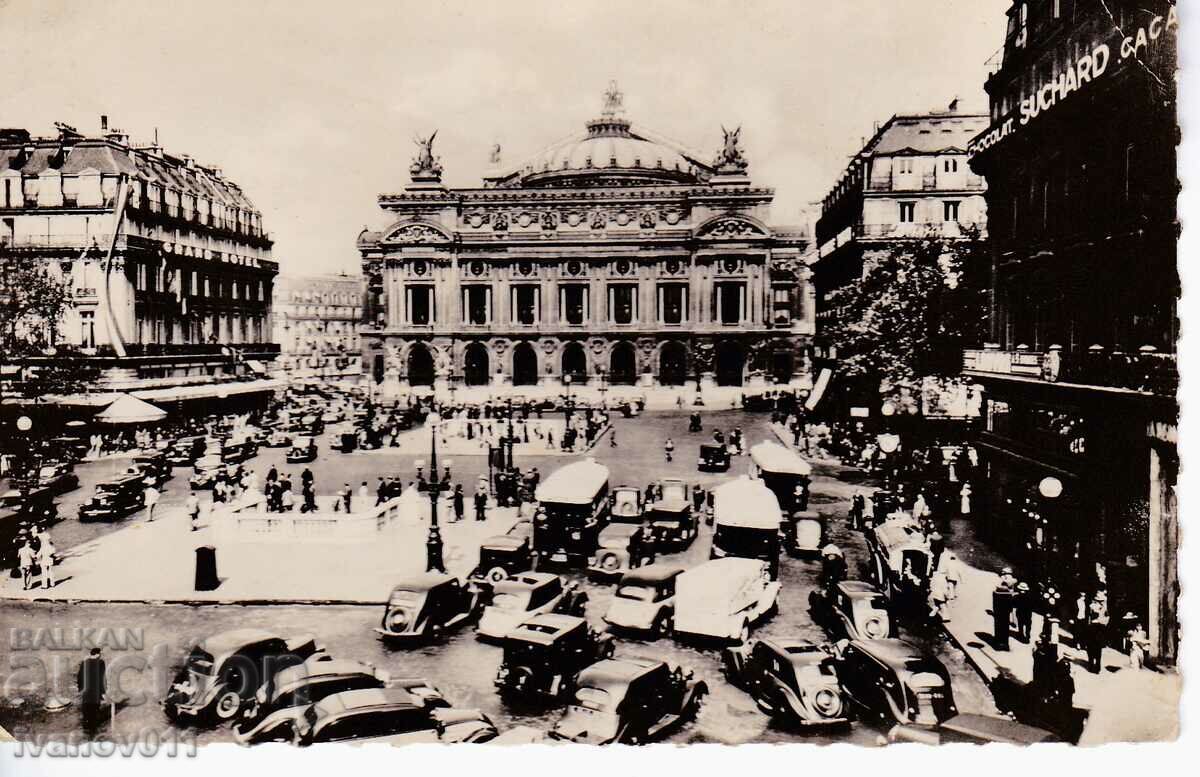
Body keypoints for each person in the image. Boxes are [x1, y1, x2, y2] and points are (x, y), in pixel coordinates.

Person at [77, 647, 107, 737]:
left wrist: (80, 689)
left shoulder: (84, 662)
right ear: (97, 654)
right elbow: (102, 679)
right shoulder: (101, 663)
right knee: (94, 711)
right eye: (100, 654)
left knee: (86, 710)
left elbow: (79, 677)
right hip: (95, 692)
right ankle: (93, 732)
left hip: (85, 692)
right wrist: (103, 692)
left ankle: (86, 730)